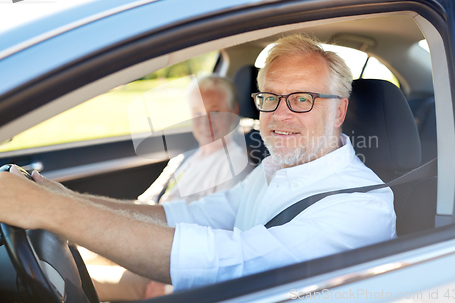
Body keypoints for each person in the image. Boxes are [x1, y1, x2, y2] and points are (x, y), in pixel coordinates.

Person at [0, 34, 396, 294]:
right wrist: (65, 197)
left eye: (302, 99)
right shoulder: (274, 169)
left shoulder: (360, 208)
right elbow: (182, 215)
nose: (280, 115)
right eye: (270, 98)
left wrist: (52, 211)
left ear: (340, 110)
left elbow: (232, 262)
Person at [85, 75, 252, 301]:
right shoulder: (186, 158)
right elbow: (146, 202)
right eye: (197, 114)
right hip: (138, 243)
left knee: (70, 275)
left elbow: (219, 239)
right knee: (73, 252)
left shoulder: (234, 166)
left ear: (234, 110)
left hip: (164, 270)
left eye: (215, 112)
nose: (205, 122)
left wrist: (167, 284)